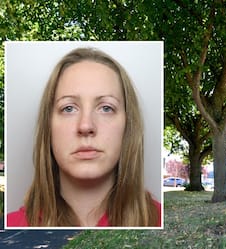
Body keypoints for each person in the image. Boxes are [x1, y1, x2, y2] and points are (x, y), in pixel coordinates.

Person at [7, 47, 161, 227]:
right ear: (48, 127)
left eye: (106, 108)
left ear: (128, 126)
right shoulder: (10, 228)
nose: (86, 126)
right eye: (69, 108)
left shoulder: (160, 221)